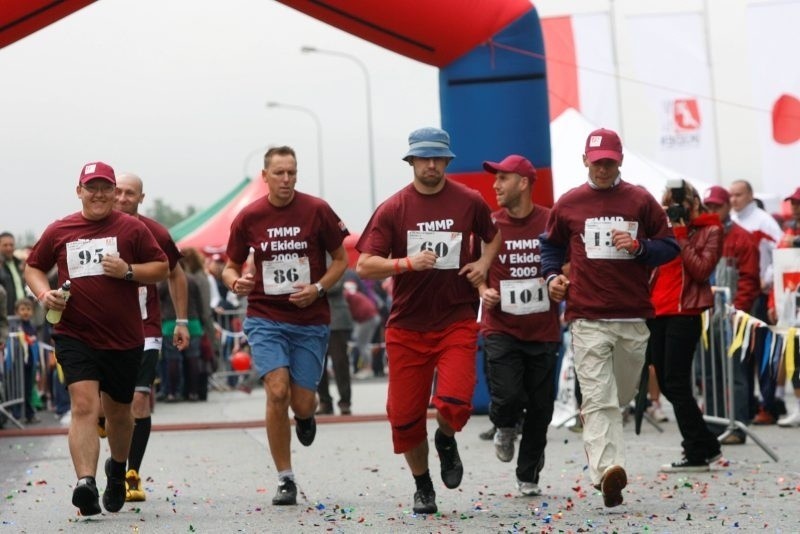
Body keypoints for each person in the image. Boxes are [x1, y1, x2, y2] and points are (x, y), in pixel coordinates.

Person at [356, 126, 501, 514]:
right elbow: (364, 264)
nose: (432, 165)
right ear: (412, 161)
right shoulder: (393, 208)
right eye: (425, 158)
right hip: (407, 326)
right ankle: (423, 486)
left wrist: (483, 263)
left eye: (439, 158)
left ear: (447, 161)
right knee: (404, 418)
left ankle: (446, 439)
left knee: (455, 400)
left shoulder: (469, 201)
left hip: (456, 318)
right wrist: (406, 263)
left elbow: (493, 235)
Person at [540, 128, 679, 508]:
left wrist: (639, 247)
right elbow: (549, 246)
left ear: (620, 161)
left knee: (619, 392)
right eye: (597, 161)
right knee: (600, 399)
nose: (603, 168)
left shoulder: (640, 200)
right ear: (585, 160)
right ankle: (608, 472)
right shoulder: (569, 203)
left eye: (610, 162)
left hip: (633, 314)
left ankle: (605, 456)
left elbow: (669, 247)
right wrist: (553, 278)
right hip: (587, 315)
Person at [23, 161, 169, 516]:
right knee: (85, 405)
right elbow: (33, 267)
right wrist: (44, 296)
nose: (100, 194)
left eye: (106, 187)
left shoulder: (131, 229)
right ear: (79, 191)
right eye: (92, 187)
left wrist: (129, 271)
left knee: (120, 414)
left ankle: (116, 471)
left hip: (123, 337)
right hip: (75, 334)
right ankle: (85, 483)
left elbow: (162, 267)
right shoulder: (60, 229)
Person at [222, 145, 349, 506]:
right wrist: (235, 282)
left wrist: (319, 287)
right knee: (277, 391)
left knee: (303, 402)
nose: (286, 179)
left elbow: (341, 259)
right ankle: (285, 478)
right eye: (279, 173)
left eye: (292, 172)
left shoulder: (317, 210)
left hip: (310, 319)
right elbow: (229, 266)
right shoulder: (248, 216)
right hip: (265, 317)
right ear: (265, 176)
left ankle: (306, 417)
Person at [477, 154, 561, 496]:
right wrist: (483, 291)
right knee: (508, 395)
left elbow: (567, 263)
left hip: (543, 330)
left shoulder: (551, 221)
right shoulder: (490, 225)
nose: (495, 185)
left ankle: (528, 475)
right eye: (495, 178)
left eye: (503, 178)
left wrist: (560, 281)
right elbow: (475, 268)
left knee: (541, 409)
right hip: (501, 328)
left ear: (523, 183)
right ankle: (504, 425)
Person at [112, 172, 189, 502]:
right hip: (104, 330)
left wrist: (182, 321)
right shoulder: (96, 228)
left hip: (146, 328)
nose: (122, 198)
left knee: (139, 399)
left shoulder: (155, 232)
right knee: (111, 405)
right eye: (118, 191)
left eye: (130, 193)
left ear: (141, 198)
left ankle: (131, 473)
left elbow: (176, 274)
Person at [647, 180, 723, 472]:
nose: (673, 210)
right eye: (667, 206)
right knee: (666, 382)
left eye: (678, 205)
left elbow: (701, 270)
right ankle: (708, 445)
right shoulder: (661, 230)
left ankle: (696, 452)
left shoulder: (711, 230)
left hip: (685, 311)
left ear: (693, 205)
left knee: (676, 382)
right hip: (657, 312)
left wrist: (681, 233)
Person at [702, 185, 761, 444]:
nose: (713, 211)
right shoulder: (702, 236)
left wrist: (737, 310)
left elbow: (750, 279)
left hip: (732, 314)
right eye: (709, 207)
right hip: (705, 315)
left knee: (735, 371)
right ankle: (714, 423)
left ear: (727, 206)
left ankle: (737, 425)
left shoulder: (742, 238)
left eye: (717, 206)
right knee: (709, 372)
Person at [769, 187, 800, 427]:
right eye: (793, 203)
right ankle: (798, 406)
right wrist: (774, 302)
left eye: (798, 203)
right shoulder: (789, 230)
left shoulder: (792, 234)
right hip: (792, 303)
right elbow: (779, 269)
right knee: (794, 356)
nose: (795, 208)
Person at [316, 277, 353, 415]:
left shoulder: (335, 257)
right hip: (315, 320)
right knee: (318, 364)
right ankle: (324, 401)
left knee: (340, 362)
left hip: (336, 319)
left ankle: (345, 401)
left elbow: (335, 284)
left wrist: (313, 288)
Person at [11, 297, 41, 424]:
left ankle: (29, 415)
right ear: (16, 312)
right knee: (17, 389)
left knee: (29, 389)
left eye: (28, 309)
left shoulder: (32, 327)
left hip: (29, 365)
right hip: (17, 365)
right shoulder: (15, 327)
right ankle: (16, 415)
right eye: (22, 309)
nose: (25, 312)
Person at [344, 280, 381, 379]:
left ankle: (368, 369)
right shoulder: (354, 295)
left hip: (368, 319)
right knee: (362, 343)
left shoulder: (347, 296)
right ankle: (367, 368)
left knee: (362, 344)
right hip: (368, 318)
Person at [0, 232, 26, 316]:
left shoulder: (19, 264)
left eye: (11, 245)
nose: (9, 248)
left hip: (21, 314)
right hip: (5, 316)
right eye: (5, 245)